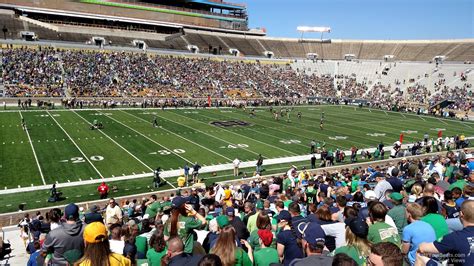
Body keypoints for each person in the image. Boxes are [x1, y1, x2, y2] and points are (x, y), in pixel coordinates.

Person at [418, 200, 474, 266]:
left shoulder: (455, 237)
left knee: (420, 257)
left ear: (461, 214)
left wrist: (421, 244)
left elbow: (422, 248)